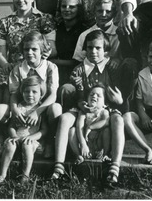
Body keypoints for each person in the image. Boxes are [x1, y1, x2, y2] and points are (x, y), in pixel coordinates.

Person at [0, 0, 56, 159]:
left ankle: (2, 137)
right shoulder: (6, 22)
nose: (21, 0)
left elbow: (52, 49)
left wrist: (31, 60)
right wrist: (9, 66)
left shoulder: (44, 19)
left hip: (33, 68)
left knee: (11, 90)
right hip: (10, 66)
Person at [51, 30, 128, 187]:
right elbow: (79, 96)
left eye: (98, 48)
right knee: (65, 118)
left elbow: (117, 97)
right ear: (85, 49)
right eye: (90, 47)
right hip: (84, 108)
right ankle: (58, 165)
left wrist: (118, 101)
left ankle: (115, 166)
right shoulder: (79, 69)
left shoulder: (111, 67)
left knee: (118, 120)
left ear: (105, 50)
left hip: (106, 108)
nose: (93, 51)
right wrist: (81, 103)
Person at [0, 31, 61, 159]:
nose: (29, 53)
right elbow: (13, 93)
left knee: (56, 109)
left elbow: (53, 95)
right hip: (23, 108)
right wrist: (15, 110)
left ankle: (49, 141)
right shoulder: (18, 69)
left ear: (42, 50)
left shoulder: (51, 68)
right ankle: (11, 138)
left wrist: (37, 112)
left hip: (43, 110)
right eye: (26, 49)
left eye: (34, 49)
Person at [0, 76, 48, 185]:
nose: (30, 95)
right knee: (10, 144)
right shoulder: (19, 108)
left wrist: (31, 138)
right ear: (22, 92)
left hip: (33, 142)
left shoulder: (40, 110)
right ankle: (2, 175)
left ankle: (25, 176)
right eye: (26, 91)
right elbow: (11, 126)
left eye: (34, 92)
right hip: (17, 139)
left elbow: (44, 130)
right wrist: (14, 136)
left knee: (27, 145)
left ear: (41, 94)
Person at [50, 0, 87, 85]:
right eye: (63, 6)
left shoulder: (83, 30)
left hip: (77, 74)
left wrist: (54, 62)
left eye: (71, 7)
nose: (66, 9)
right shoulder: (57, 27)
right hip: (55, 71)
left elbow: (80, 61)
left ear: (79, 9)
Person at [68, 86, 110, 165]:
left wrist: (90, 127)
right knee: (72, 131)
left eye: (98, 95)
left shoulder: (104, 112)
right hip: (84, 145)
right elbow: (79, 127)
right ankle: (79, 155)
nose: (94, 96)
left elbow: (106, 122)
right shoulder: (83, 112)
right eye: (91, 94)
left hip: (98, 145)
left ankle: (105, 154)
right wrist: (83, 144)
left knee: (107, 131)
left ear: (104, 104)